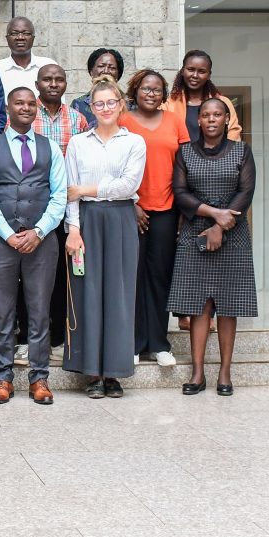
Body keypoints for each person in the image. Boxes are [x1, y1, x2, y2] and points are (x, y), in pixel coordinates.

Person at [0, 89, 67, 405]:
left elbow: (59, 195)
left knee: (40, 312)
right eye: (19, 103)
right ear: (8, 108)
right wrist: (7, 234)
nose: (26, 107)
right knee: (3, 313)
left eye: (31, 103)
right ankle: (3, 378)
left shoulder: (50, 148)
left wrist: (39, 231)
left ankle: (39, 378)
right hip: (1, 241)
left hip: (42, 242)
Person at [168, 98, 257, 397]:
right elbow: (180, 192)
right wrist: (213, 214)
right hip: (194, 232)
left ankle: (224, 372)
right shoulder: (185, 152)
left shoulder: (242, 151)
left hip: (234, 234)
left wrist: (220, 226)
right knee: (199, 305)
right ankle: (197, 372)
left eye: (217, 114)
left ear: (226, 119)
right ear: (198, 120)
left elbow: (246, 191)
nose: (211, 119)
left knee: (229, 305)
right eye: (205, 115)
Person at [64, 79, 146, 397]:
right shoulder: (78, 143)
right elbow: (70, 190)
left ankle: (114, 372)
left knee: (119, 294)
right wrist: (73, 229)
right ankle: (93, 373)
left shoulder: (134, 142)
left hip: (121, 219)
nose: (106, 108)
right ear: (91, 107)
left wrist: (87, 189)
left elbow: (127, 186)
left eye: (111, 102)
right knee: (89, 292)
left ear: (121, 104)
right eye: (99, 103)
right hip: (87, 220)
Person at [119, 70, 190, 367]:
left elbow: (184, 166)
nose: (151, 93)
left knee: (160, 276)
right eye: (146, 88)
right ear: (135, 91)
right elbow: (115, 167)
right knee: (132, 278)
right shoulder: (122, 121)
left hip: (167, 209)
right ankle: (134, 344)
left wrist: (184, 209)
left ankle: (159, 344)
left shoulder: (174, 121)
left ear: (164, 94)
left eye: (157, 89)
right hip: (130, 208)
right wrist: (133, 203)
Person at [33, 64, 88, 359]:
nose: (53, 84)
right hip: (33, 206)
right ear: (37, 83)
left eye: (59, 79)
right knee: (32, 276)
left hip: (67, 206)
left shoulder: (77, 119)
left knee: (60, 276)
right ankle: (30, 337)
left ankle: (58, 337)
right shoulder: (26, 113)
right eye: (47, 79)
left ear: (66, 84)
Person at [164, 49, 242, 143]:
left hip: (218, 153)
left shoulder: (223, 103)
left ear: (209, 75)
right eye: (191, 69)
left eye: (201, 71)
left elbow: (233, 134)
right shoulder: (168, 105)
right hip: (180, 153)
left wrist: (223, 152)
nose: (195, 75)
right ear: (183, 71)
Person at [0, 16, 58, 99]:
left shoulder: (48, 66)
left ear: (33, 38)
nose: (20, 37)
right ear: (7, 38)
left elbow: (59, 103)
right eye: (14, 33)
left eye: (26, 33)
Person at [71, 48, 124, 128]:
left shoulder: (129, 104)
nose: (106, 71)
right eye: (101, 66)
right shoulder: (78, 105)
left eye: (112, 68)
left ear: (118, 74)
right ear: (91, 71)